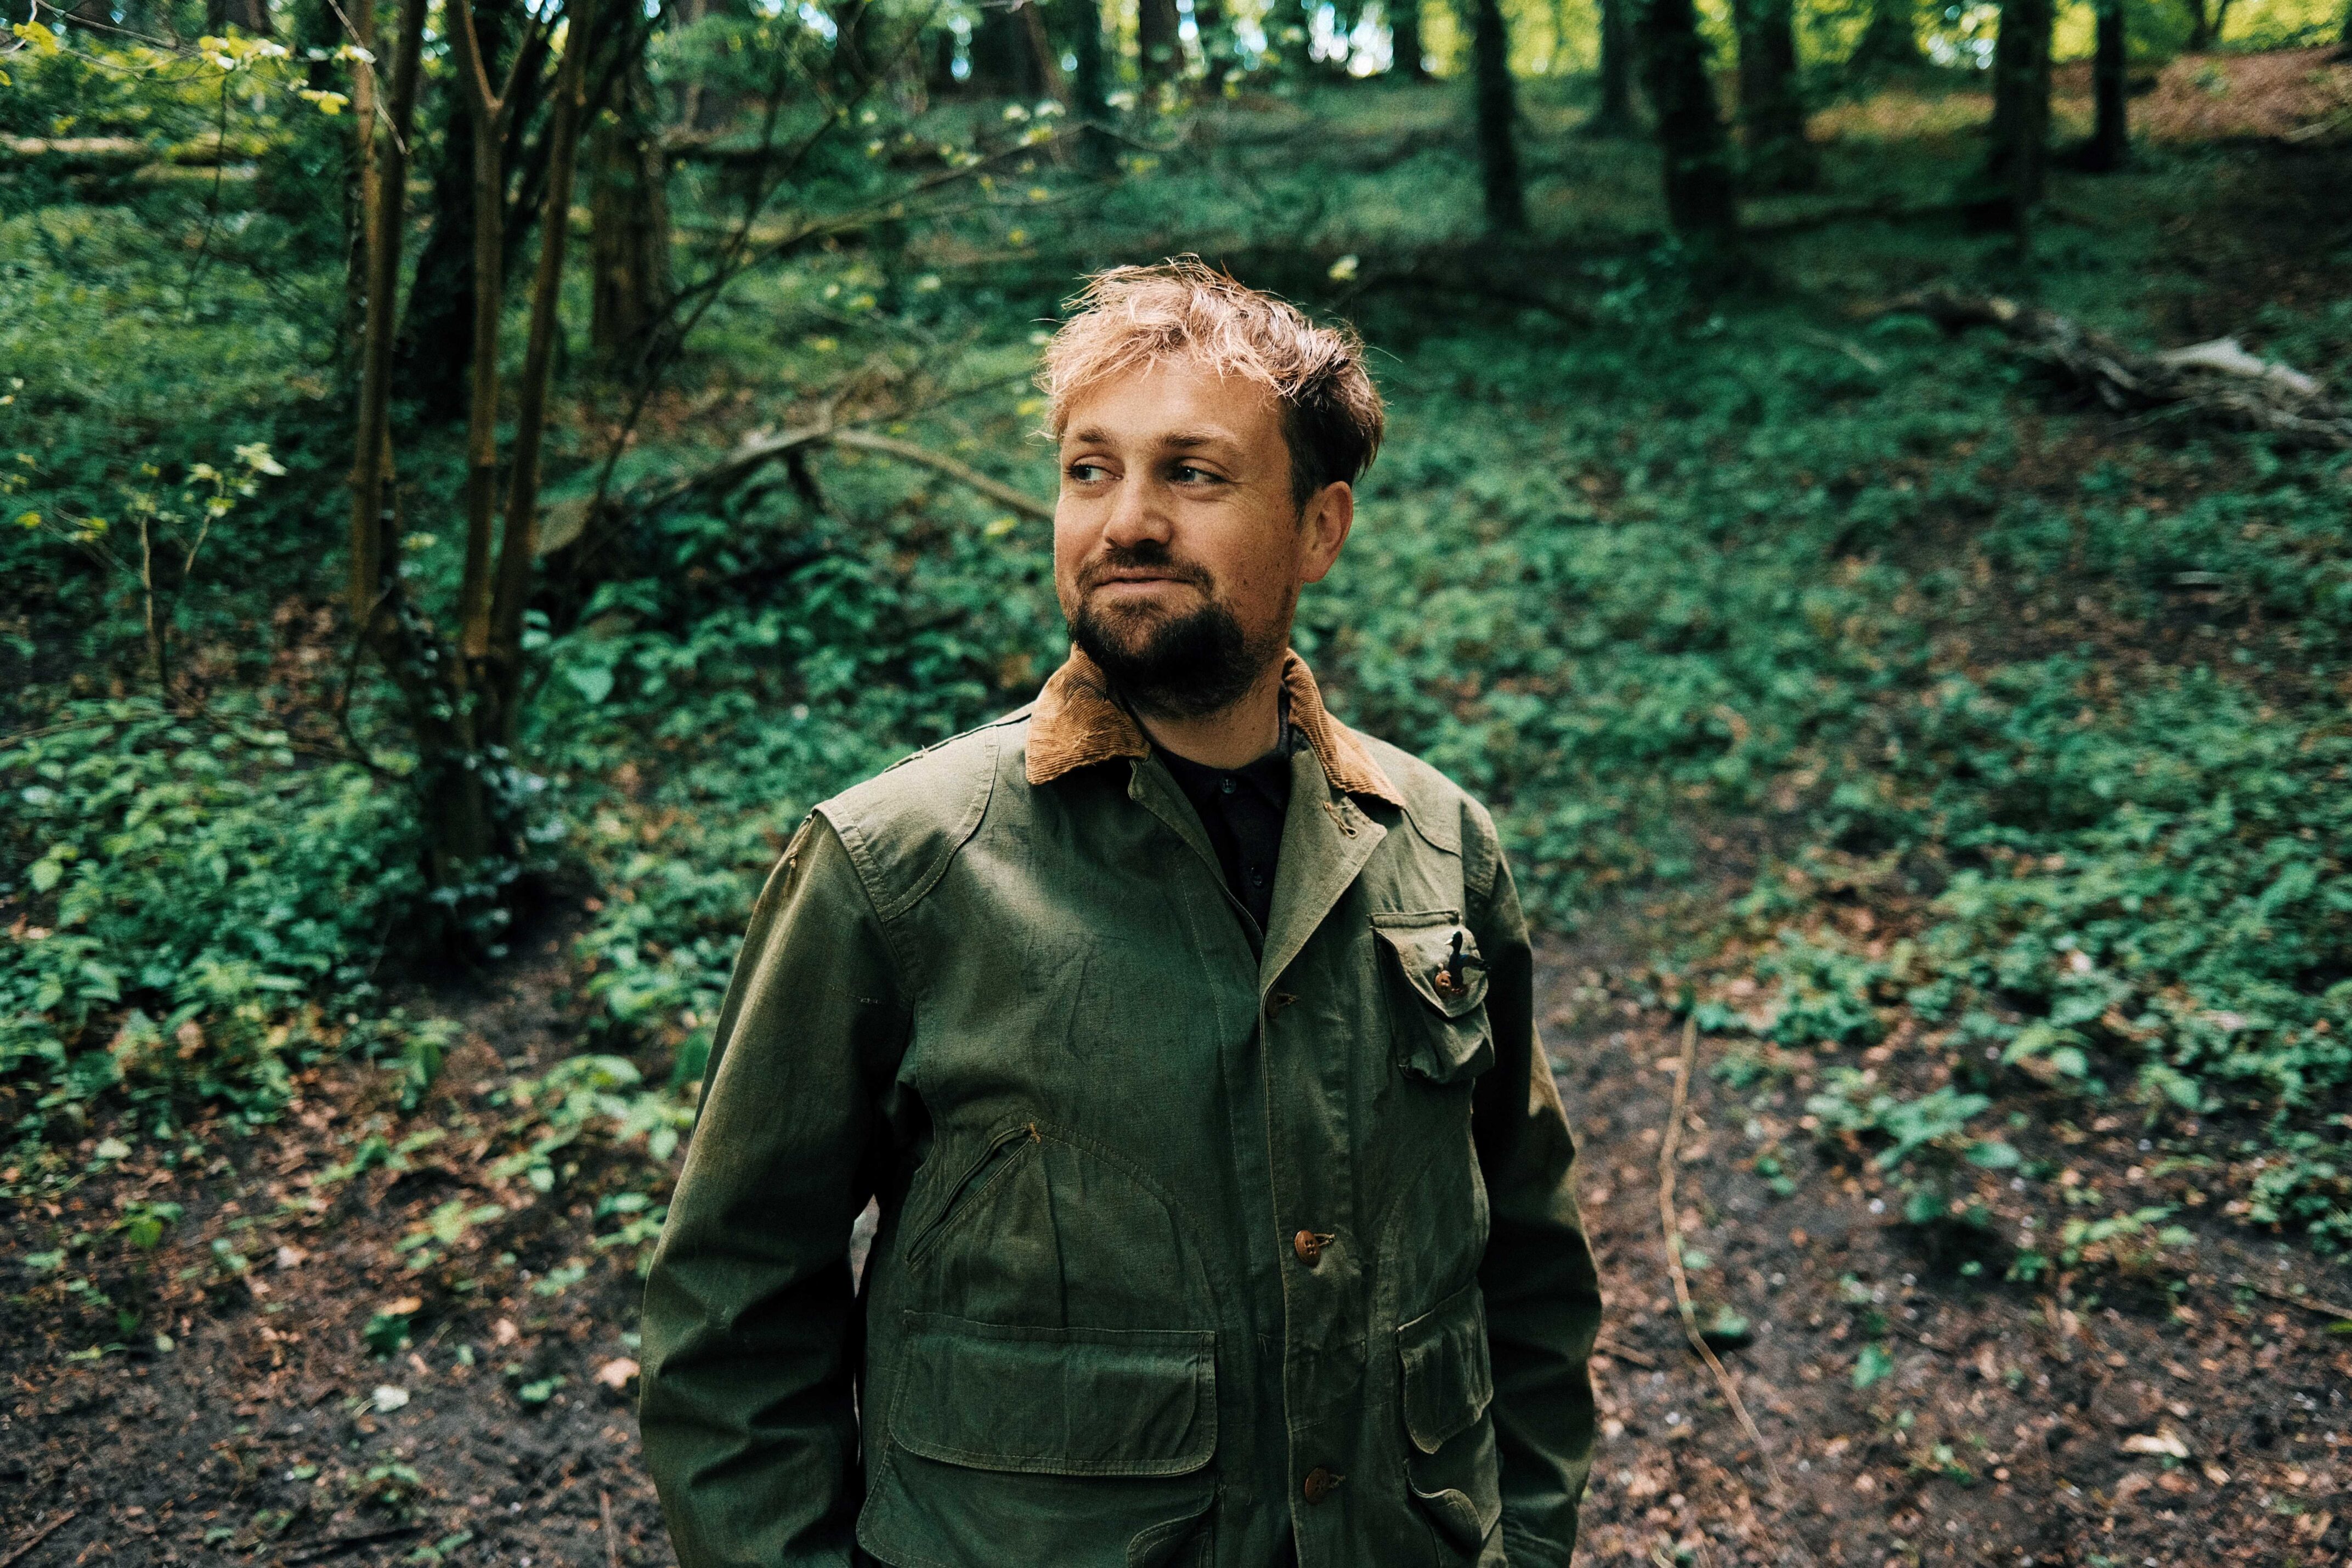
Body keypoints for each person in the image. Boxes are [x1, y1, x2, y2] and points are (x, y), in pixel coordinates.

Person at [638, 259, 1601, 1567]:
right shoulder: (898, 865)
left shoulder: (1435, 847)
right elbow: (730, 1314)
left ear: (1319, 527)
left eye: (1191, 473)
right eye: (1089, 470)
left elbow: (1530, 1263)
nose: (1127, 521)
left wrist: (1523, 1544)